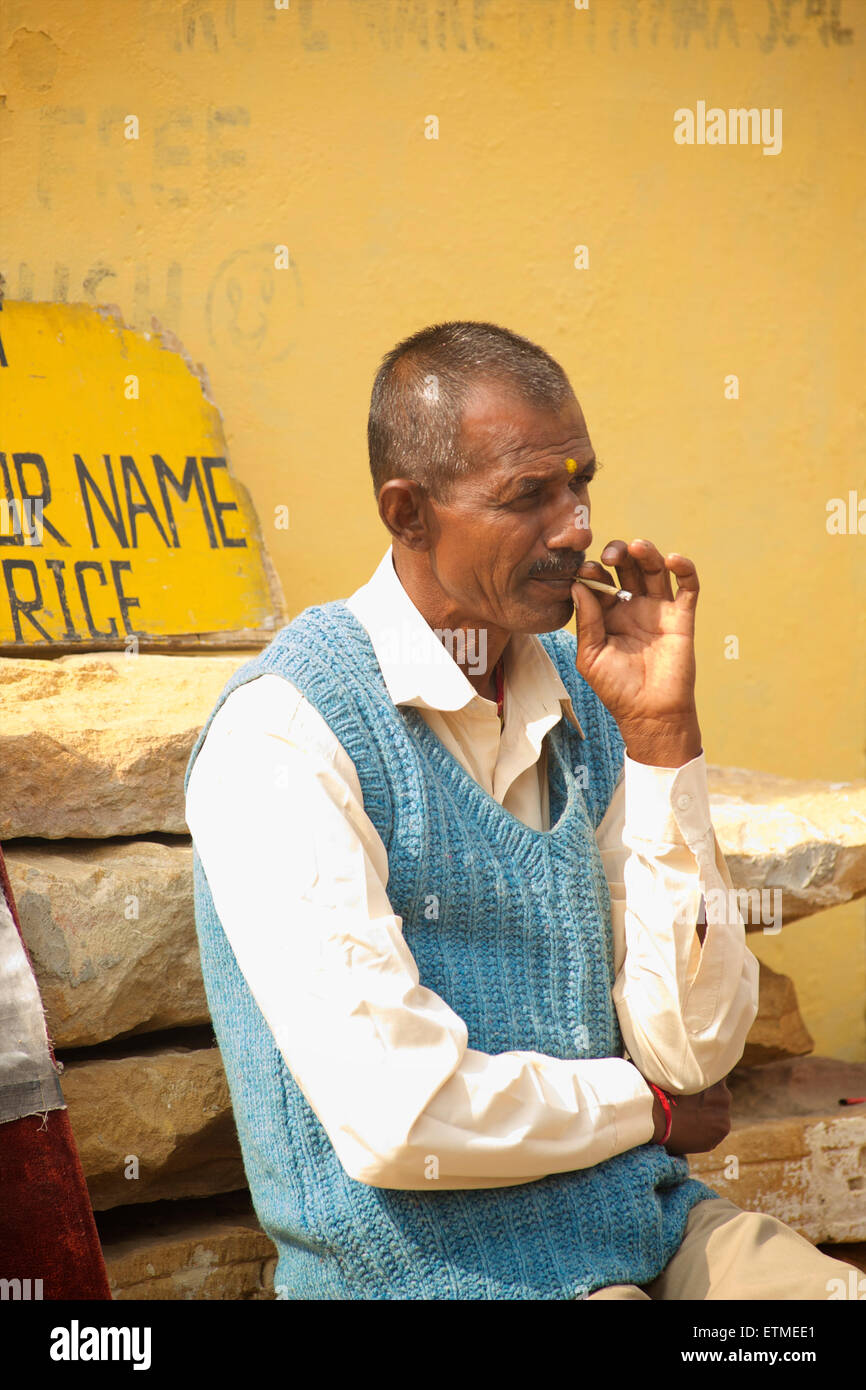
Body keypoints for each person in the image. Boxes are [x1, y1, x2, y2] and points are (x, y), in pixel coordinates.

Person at [184, 320, 859, 1300]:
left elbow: (692, 1053)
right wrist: (648, 1111)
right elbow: (399, 1116)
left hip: (647, 1229)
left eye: (579, 484)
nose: (575, 525)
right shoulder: (286, 735)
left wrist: (663, 738)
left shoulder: (586, 695)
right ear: (407, 513)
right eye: (526, 495)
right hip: (424, 1278)